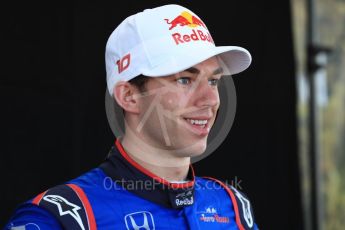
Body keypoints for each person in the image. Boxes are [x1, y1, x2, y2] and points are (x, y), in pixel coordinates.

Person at [5, 4, 258, 230]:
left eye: (213, 80)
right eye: (185, 80)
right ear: (129, 96)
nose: (210, 100)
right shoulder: (60, 217)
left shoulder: (232, 205)